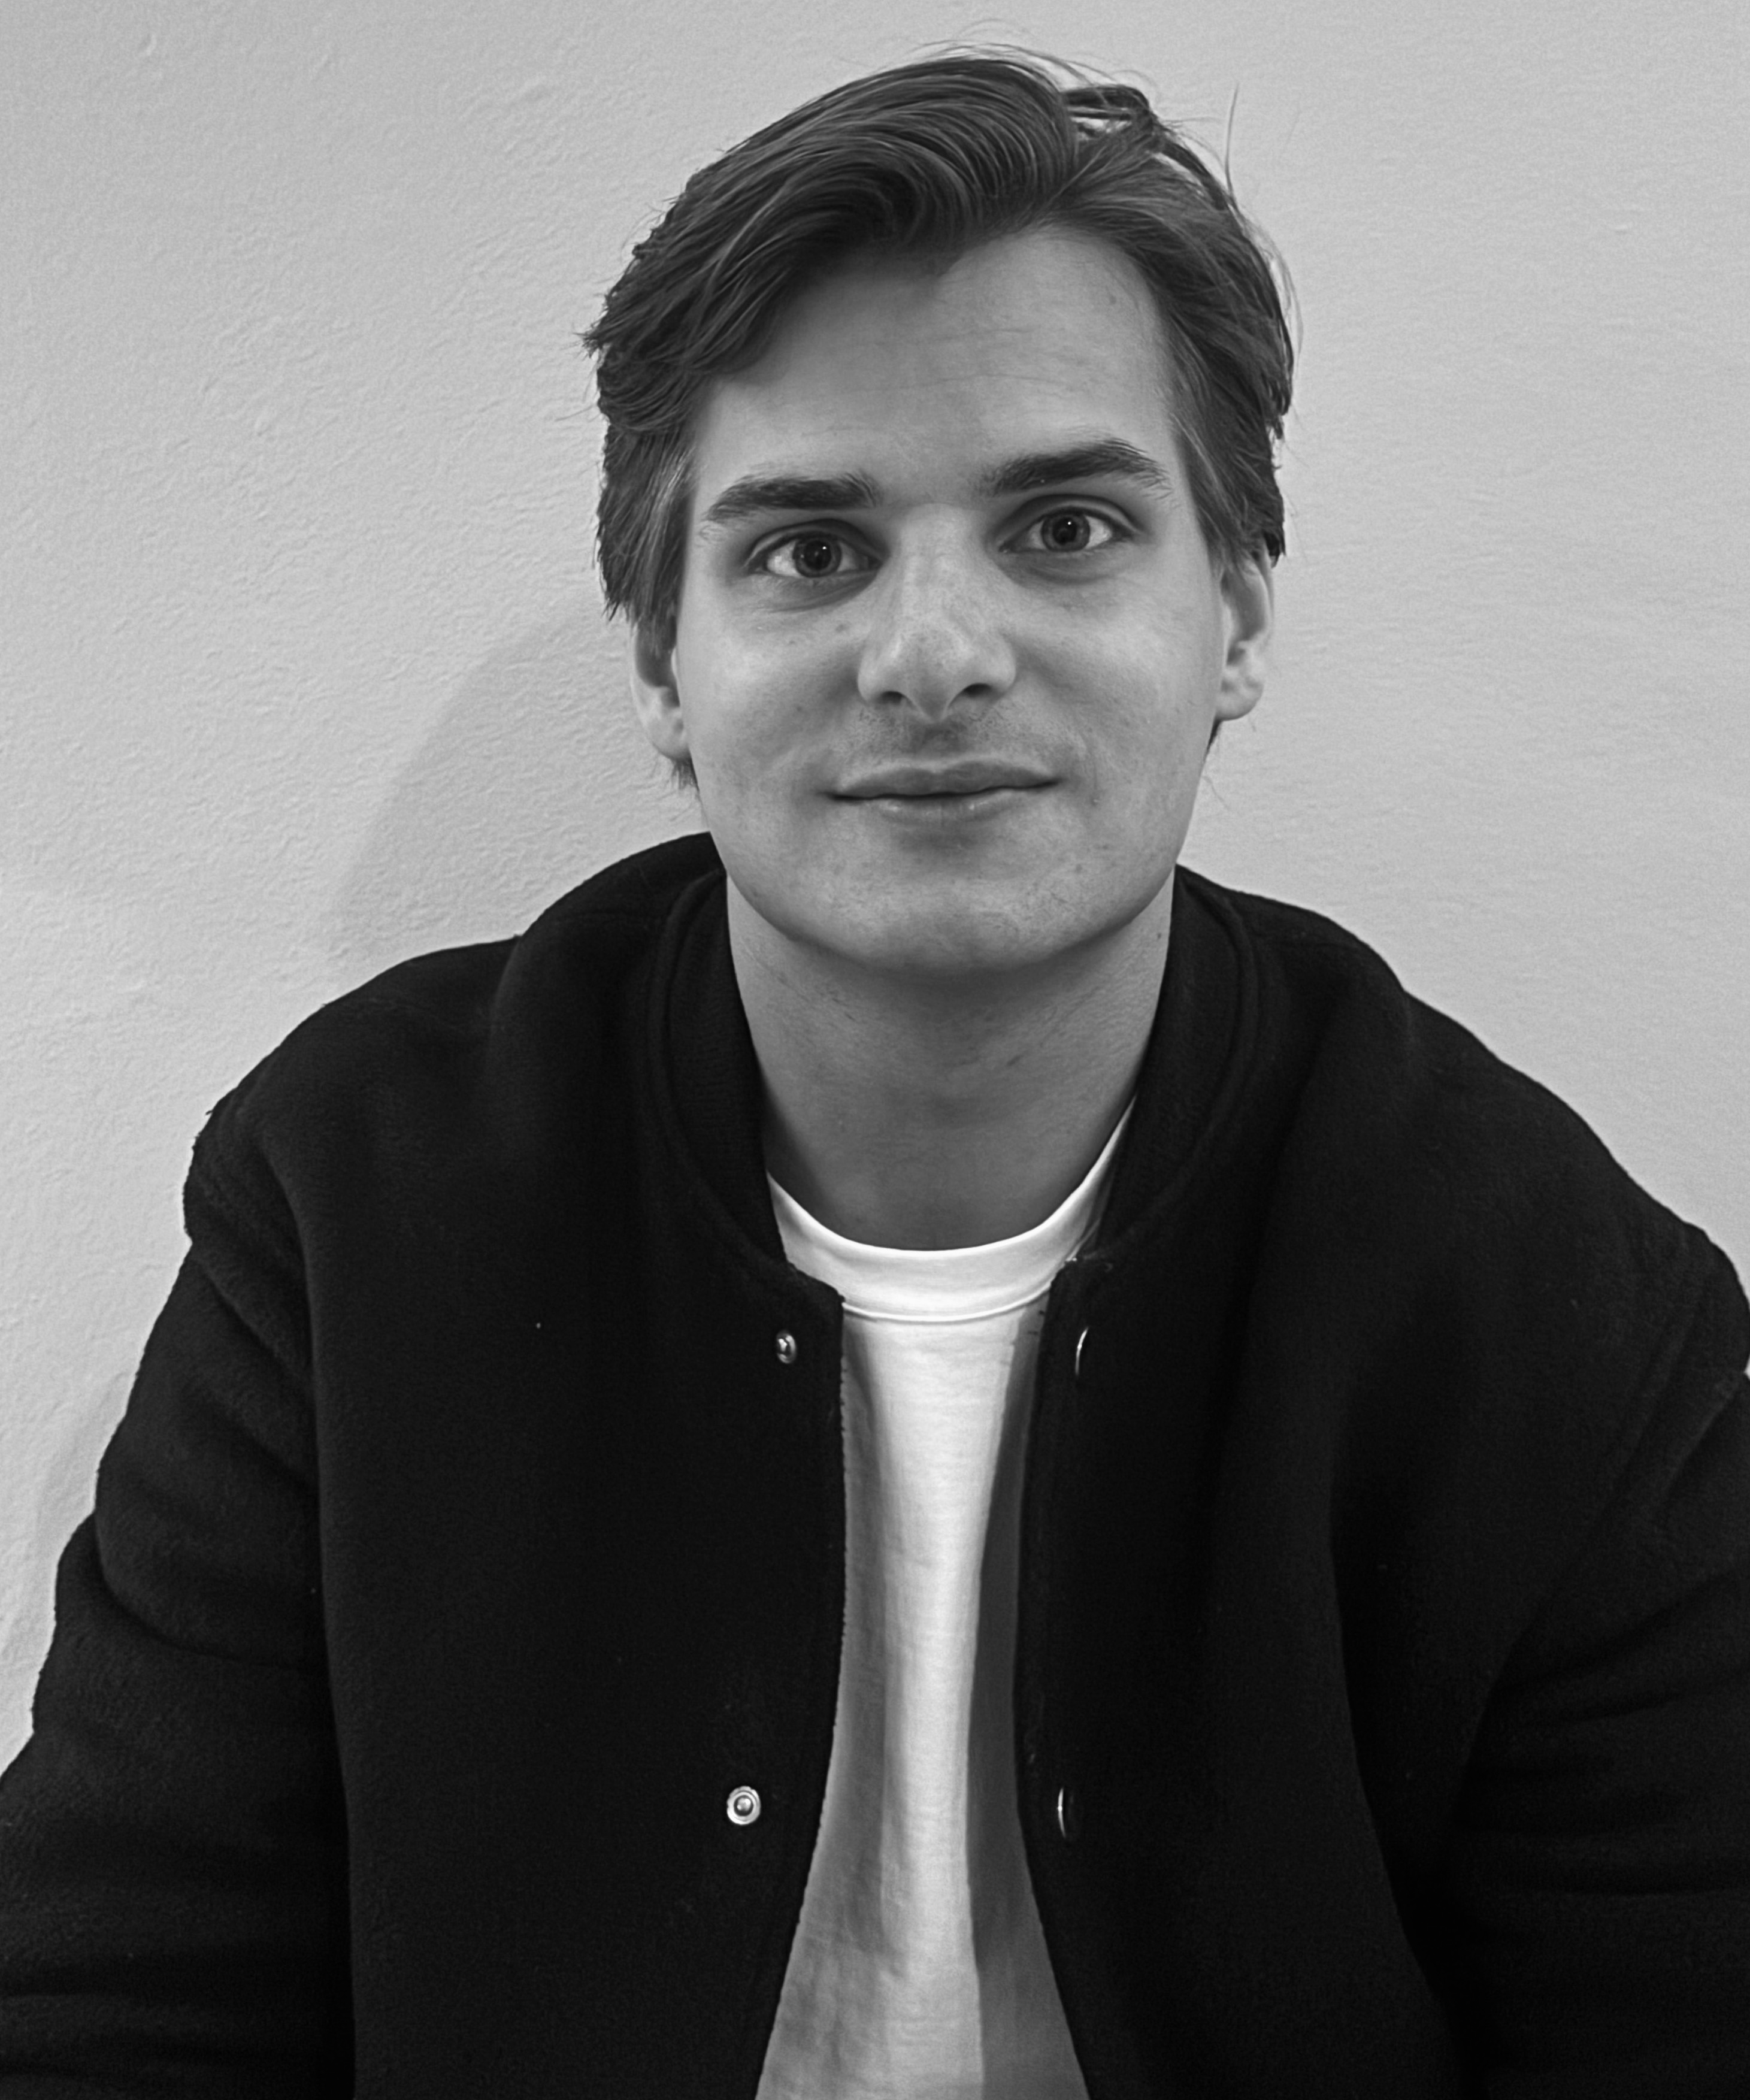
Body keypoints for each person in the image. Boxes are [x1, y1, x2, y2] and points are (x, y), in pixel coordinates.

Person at [1, 46, 1745, 2100]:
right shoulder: (357, 1196)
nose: (934, 652)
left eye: (1066, 527)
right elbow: (116, 2005)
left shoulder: (1552, 1303)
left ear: (1236, 613)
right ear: (661, 662)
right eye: (810, 550)